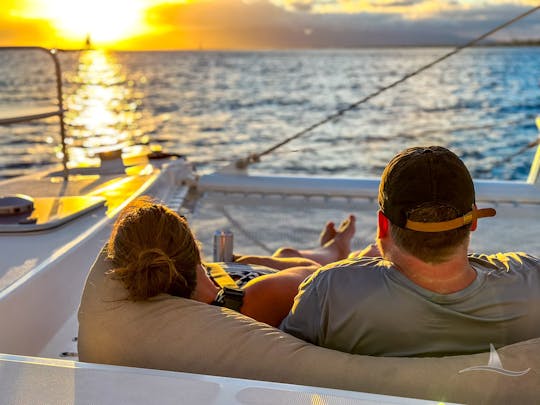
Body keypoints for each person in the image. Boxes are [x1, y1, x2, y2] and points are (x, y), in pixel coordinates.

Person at [280, 145, 540, 357]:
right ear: (473, 221)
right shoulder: (531, 282)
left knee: (291, 257)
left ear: (383, 224)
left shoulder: (329, 292)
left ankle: (333, 251)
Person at [106, 196, 356, 327]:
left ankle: (329, 247)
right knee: (356, 256)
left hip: (229, 277)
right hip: (314, 274)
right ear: (192, 243)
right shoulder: (255, 299)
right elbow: (316, 274)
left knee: (285, 251)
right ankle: (336, 248)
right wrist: (260, 260)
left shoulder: (177, 294)